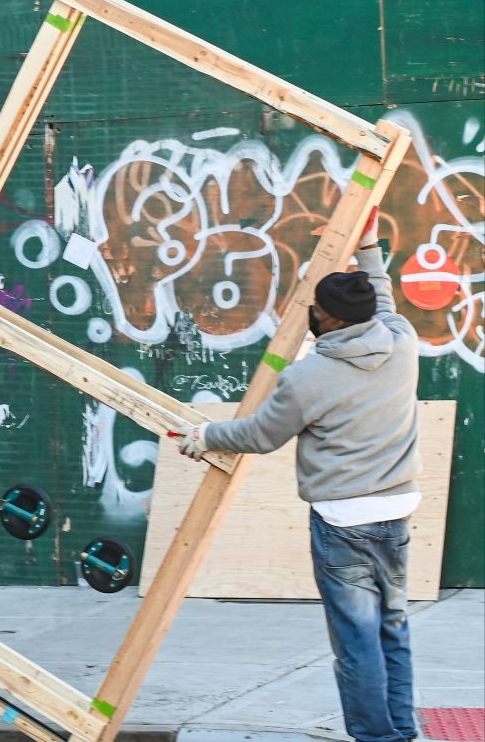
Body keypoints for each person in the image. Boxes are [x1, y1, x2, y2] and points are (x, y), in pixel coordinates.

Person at [176, 215, 419, 742]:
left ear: (328, 321)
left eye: (317, 310)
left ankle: (379, 737)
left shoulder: (309, 377)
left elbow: (261, 435)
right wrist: (370, 246)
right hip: (396, 514)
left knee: (356, 641)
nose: (310, 314)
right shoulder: (402, 344)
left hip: (342, 522)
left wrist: (206, 435)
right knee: (392, 628)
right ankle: (400, 731)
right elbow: (385, 301)